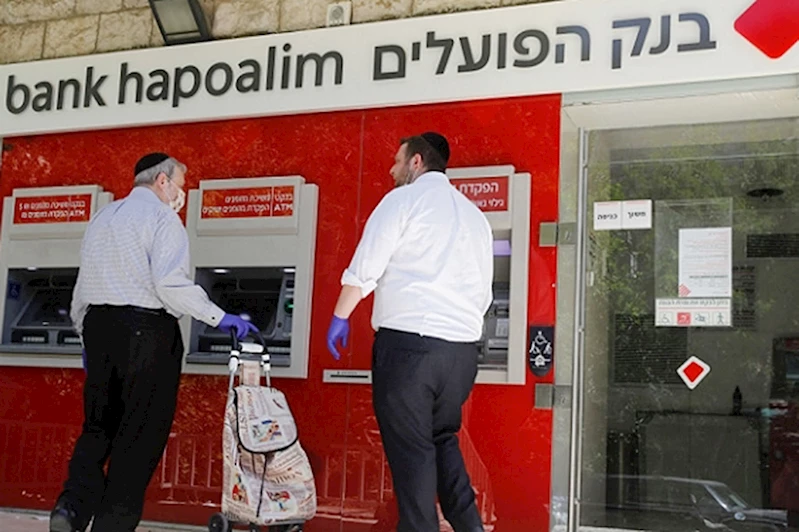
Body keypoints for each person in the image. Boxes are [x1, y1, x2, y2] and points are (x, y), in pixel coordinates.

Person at [50, 153, 259, 532]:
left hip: (98, 328)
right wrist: (218, 316)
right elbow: (169, 284)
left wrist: (85, 336)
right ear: (162, 181)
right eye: (180, 184)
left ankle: (71, 507)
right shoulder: (163, 219)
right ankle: (112, 526)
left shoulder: (102, 218)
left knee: (97, 426)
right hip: (146, 333)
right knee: (139, 436)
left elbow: (83, 286)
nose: (182, 193)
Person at [326, 133, 493, 532]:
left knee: (412, 453)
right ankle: (470, 527)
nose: (392, 169)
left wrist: (340, 316)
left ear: (417, 162)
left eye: (397, 160)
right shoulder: (475, 216)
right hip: (461, 353)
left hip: (409, 350)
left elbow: (366, 267)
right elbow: (484, 291)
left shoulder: (402, 201)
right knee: (442, 440)